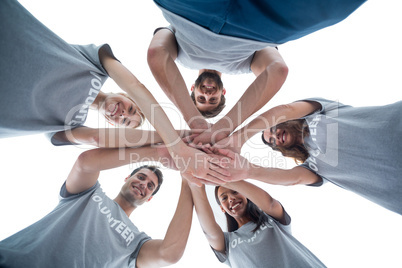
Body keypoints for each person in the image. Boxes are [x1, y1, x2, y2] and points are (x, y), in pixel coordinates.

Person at [0, 0, 230, 185]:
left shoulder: (69, 125)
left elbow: (95, 138)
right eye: (130, 108)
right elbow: (137, 86)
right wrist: (180, 139)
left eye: (124, 120)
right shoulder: (96, 64)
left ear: (111, 124)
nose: (122, 113)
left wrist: (176, 146)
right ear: (126, 96)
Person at [147, 0, 366, 145]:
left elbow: (157, 54)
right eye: (212, 99)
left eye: (201, 98)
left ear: (192, 89)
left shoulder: (180, 58)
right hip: (257, 26)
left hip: (189, 10)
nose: (208, 93)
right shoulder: (244, 66)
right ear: (223, 93)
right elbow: (277, 70)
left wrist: (194, 120)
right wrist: (226, 126)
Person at [0, 145, 193, 267]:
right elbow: (85, 163)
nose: (144, 184)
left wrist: (188, 179)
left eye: (150, 186)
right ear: (127, 178)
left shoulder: (137, 243)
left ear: (149, 198)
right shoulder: (89, 192)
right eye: (141, 177)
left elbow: (170, 254)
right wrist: (157, 153)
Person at [211, 98, 402, 215]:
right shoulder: (313, 166)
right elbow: (293, 179)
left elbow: (287, 109)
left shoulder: (317, 113)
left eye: (271, 129)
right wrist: (247, 170)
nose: (274, 137)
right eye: (271, 142)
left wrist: (239, 138)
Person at [189, 180, 326, 267]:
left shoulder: (272, 219)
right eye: (224, 198)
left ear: (245, 194)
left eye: (235, 191)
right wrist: (196, 183)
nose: (231, 198)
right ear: (222, 208)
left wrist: (222, 176)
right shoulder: (227, 242)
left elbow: (270, 203)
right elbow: (210, 233)